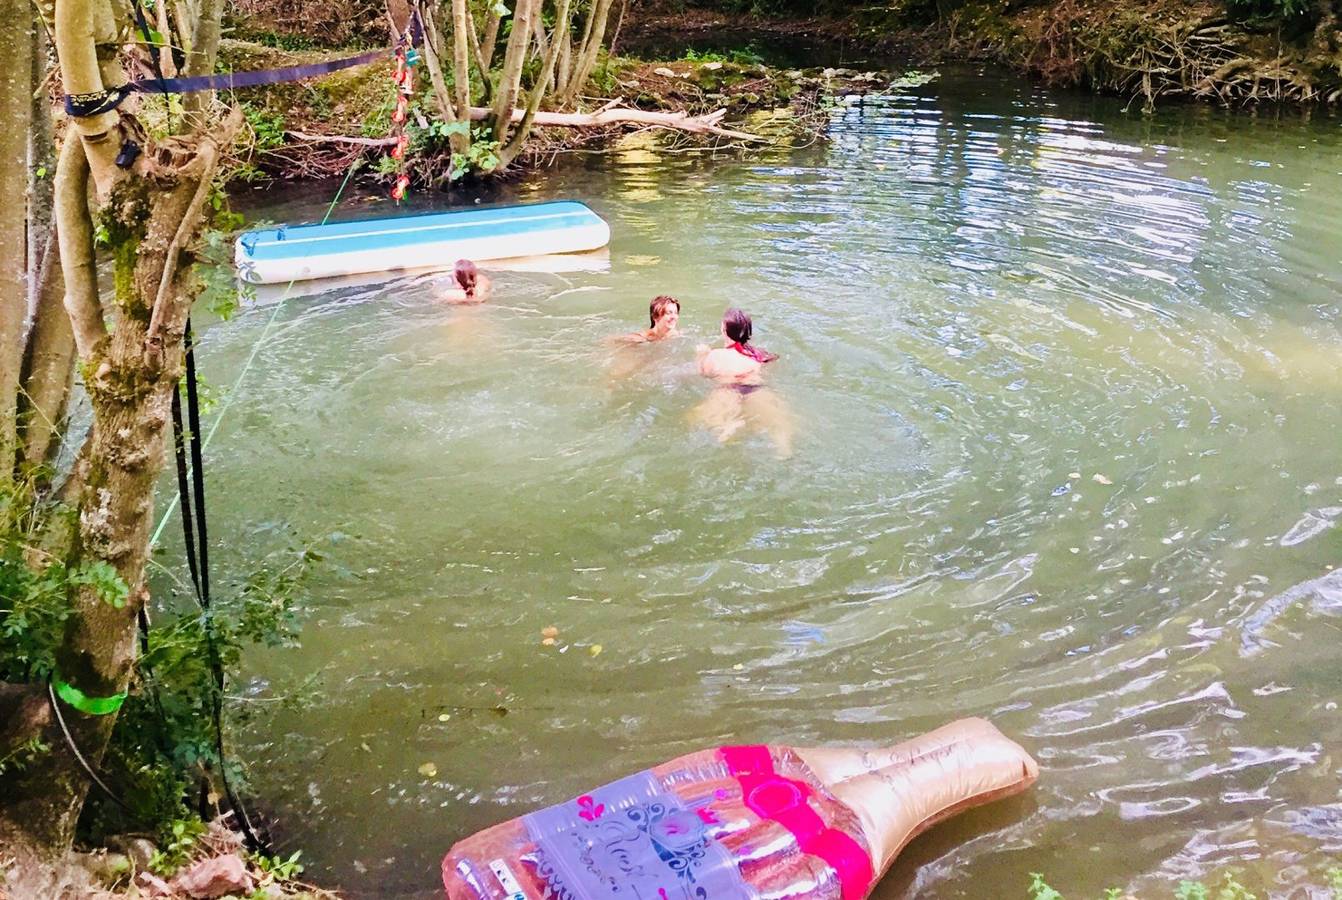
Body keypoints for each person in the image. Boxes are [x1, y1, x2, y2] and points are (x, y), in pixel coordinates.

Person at [693, 308, 792, 456]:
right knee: (778, 422)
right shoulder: (758, 354)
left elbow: (702, 373)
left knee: (695, 418)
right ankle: (783, 447)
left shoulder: (716, 355)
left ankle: (729, 425)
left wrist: (700, 355)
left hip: (728, 389)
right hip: (756, 387)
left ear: (724, 330)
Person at [613, 295, 681, 343]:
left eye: (675, 313)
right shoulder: (642, 338)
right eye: (668, 313)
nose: (674, 317)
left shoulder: (675, 334)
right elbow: (614, 339)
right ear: (655, 317)